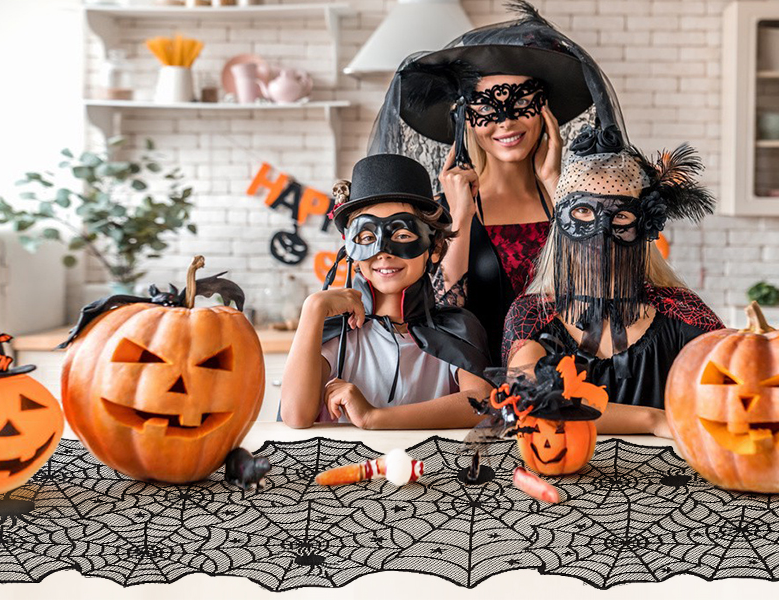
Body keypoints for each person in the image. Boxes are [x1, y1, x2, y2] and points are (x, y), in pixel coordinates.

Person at [368, 1, 622, 364]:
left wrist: (557, 184)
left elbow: (610, 284)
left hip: (573, 379)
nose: (505, 122)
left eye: (522, 103)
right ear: (465, 120)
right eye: (487, 109)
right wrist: (460, 216)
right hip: (477, 382)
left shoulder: (573, 201)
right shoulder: (443, 209)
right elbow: (438, 317)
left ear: (546, 112)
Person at [503, 126, 723, 437]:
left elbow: (736, 377)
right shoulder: (533, 315)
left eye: (619, 215)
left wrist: (777, 346)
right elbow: (531, 402)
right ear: (560, 224)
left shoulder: (680, 312)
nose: (600, 232)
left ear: (643, 227)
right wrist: (654, 420)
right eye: (582, 211)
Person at [280, 154, 492, 429]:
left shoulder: (458, 329)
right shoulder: (339, 335)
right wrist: (313, 309)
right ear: (353, 253)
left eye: (403, 235)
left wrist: (373, 417)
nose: (383, 252)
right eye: (367, 237)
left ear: (435, 247)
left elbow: (482, 402)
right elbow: (296, 416)